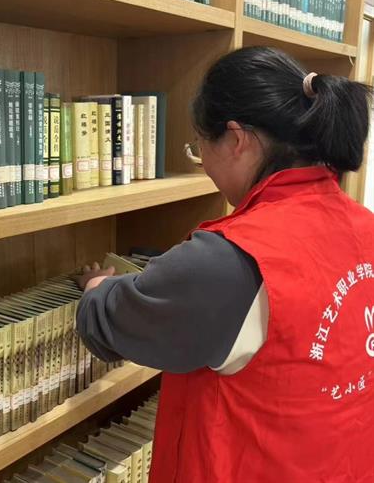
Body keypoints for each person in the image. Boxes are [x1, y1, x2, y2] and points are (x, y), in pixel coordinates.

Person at [75, 46, 374, 482]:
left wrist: (96, 288)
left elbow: (109, 324)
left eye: (199, 146)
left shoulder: (230, 260)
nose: (203, 165)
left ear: (236, 139)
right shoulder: (365, 225)